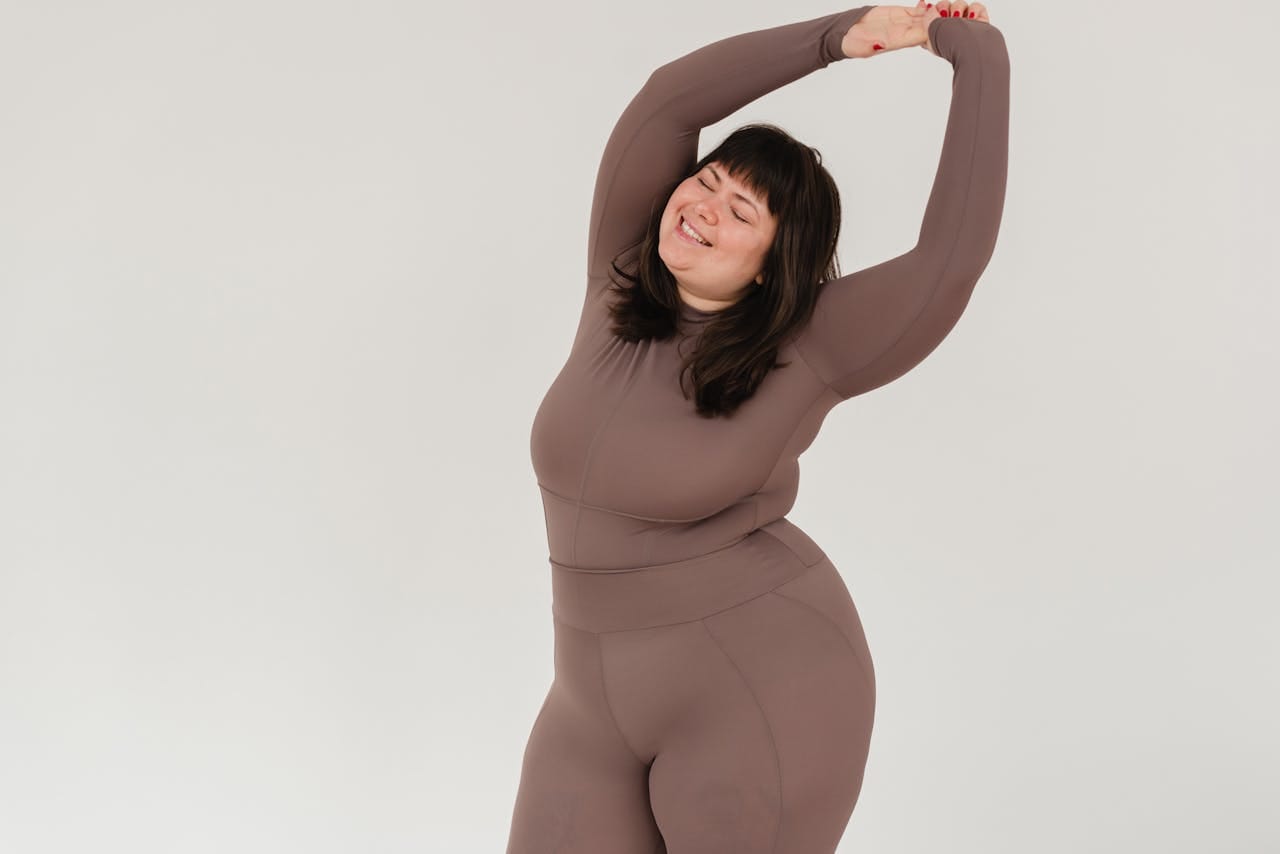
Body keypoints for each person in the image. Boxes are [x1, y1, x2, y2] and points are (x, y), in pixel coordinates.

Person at [506, 3, 1009, 852]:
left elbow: (950, 258)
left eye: (743, 214)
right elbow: (669, 101)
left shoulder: (812, 345)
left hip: (758, 688)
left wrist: (977, 57)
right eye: (708, 183)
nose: (705, 209)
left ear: (776, 265)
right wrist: (841, 36)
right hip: (587, 706)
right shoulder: (619, 273)